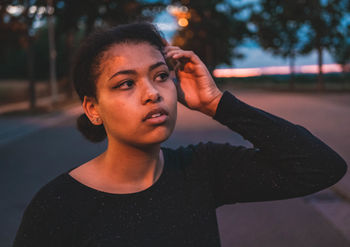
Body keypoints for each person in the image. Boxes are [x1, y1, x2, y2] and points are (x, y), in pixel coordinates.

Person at [13, 22, 347, 247]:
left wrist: (217, 103)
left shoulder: (201, 169)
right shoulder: (57, 206)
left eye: (160, 76)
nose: (152, 93)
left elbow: (320, 167)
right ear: (92, 108)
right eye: (126, 83)